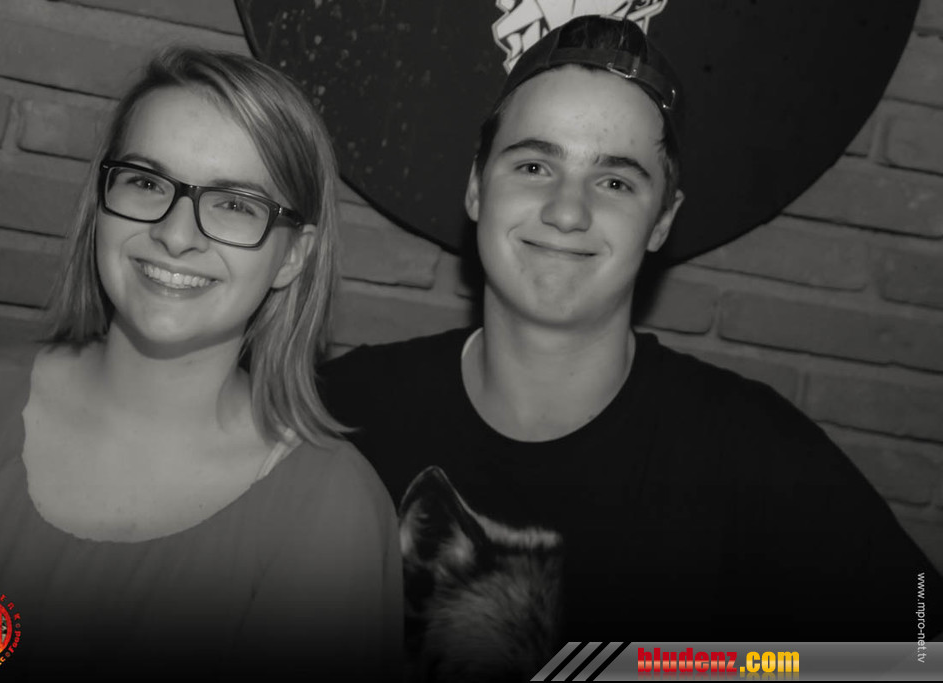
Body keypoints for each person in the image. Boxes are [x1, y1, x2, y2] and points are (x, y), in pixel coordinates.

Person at [320, 15, 942, 679]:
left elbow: (921, 643)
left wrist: (705, 666)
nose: (567, 210)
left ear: (662, 220)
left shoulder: (751, 451)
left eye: (615, 182)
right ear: (477, 187)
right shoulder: (342, 411)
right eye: (534, 165)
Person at [0, 48, 401, 680]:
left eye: (235, 203)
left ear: (292, 257)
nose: (176, 234)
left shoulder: (332, 518)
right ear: (102, 202)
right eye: (147, 183)